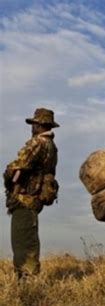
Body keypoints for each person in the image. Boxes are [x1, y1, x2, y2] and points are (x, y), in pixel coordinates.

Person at [3, 108, 60, 279]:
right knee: (26, 240)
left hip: (25, 199)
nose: (32, 127)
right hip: (32, 200)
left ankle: (28, 282)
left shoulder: (37, 143)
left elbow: (16, 168)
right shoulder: (52, 146)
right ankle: (26, 280)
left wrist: (8, 176)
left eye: (35, 123)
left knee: (23, 243)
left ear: (41, 125)